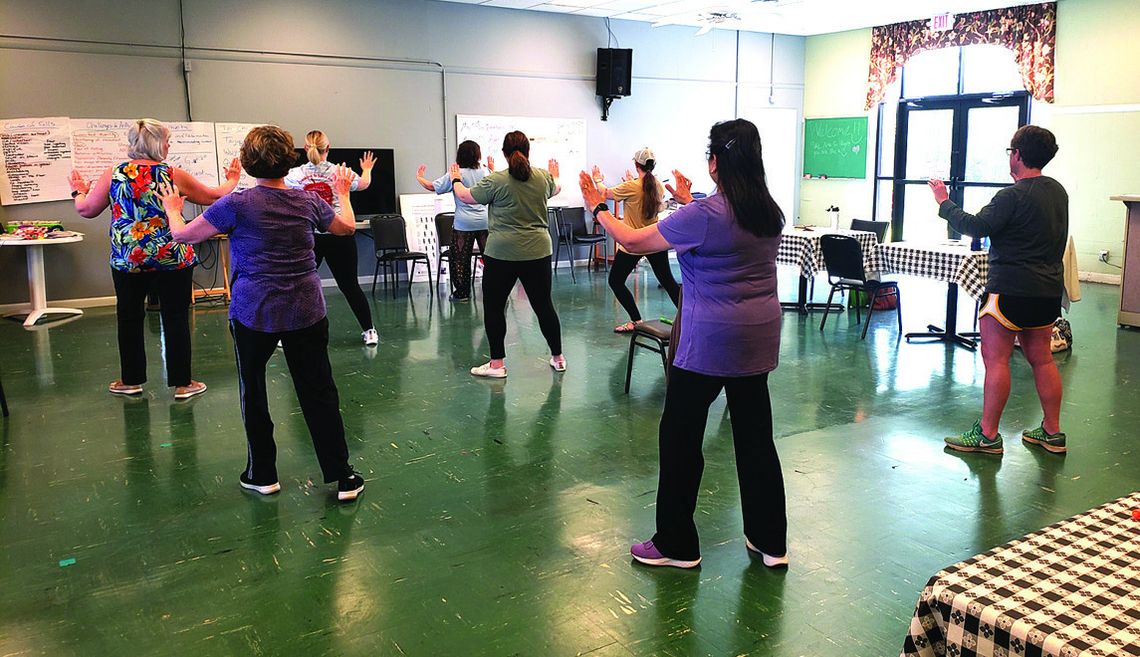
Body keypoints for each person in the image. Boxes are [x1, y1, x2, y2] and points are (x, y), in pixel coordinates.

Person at [580, 119, 788, 569]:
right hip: (758, 338)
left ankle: (676, 544)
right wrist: (687, 198)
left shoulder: (704, 216)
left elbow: (633, 239)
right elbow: (718, 225)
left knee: (680, 438)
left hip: (709, 341)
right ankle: (770, 541)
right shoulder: (768, 210)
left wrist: (598, 207)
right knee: (755, 439)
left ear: (715, 164)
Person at [158, 125, 365, 501]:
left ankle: (262, 474)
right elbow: (346, 228)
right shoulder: (307, 201)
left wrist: (174, 210)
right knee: (319, 391)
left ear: (250, 162)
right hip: (306, 308)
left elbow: (183, 235)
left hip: (254, 310)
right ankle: (342, 476)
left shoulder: (236, 204)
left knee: (252, 391)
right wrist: (344, 193)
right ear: (290, 160)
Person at [68, 118, 240, 400]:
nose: (169, 145)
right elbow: (212, 197)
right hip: (172, 257)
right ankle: (183, 384)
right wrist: (232, 179)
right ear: (156, 143)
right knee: (175, 318)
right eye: (167, 140)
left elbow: (86, 210)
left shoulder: (114, 173)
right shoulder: (172, 173)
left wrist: (78, 190)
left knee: (129, 318)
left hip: (129, 259)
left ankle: (131, 380)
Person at [928, 125, 1068, 455]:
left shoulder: (1011, 196)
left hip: (1009, 291)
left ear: (1017, 155)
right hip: (1047, 292)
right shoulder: (1058, 192)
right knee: (1043, 360)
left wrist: (944, 202)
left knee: (996, 360)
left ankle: (988, 435)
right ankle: (1052, 431)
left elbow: (975, 226)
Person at [450, 131, 566, 378]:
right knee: (544, 306)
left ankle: (497, 365)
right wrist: (554, 173)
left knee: (494, 307)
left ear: (504, 153)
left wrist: (456, 178)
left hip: (502, 254)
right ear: (528, 152)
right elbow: (556, 188)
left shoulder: (496, 180)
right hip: (538, 251)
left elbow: (464, 197)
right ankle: (558, 358)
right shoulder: (543, 177)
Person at [284, 130, 378, 346]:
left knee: (298, 286)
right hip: (339, 234)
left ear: (306, 148)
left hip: (309, 238)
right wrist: (367, 169)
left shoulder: (294, 174)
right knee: (350, 286)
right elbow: (364, 184)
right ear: (328, 148)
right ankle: (369, 331)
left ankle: (285, 332)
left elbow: (277, 186)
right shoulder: (340, 171)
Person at [590, 147, 680, 332]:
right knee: (669, 282)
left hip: (634, 243)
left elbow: (604, 193)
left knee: (616, 281)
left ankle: (636, 321)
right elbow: (654, 204)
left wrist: (597, 178)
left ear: (636, 164)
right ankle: (691, 320)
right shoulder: (658, 185)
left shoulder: (631, 186)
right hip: (655, 241)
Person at [416, 140, 493, 302]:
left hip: (463, 224)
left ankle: (461, 293)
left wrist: (420, 177)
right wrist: (492, 167)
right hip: (485, 223)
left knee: (459, 260)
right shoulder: (485, 172)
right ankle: (495, 291)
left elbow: (431, 186)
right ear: (478, 155)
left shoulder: (456, 173)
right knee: (492, 258)